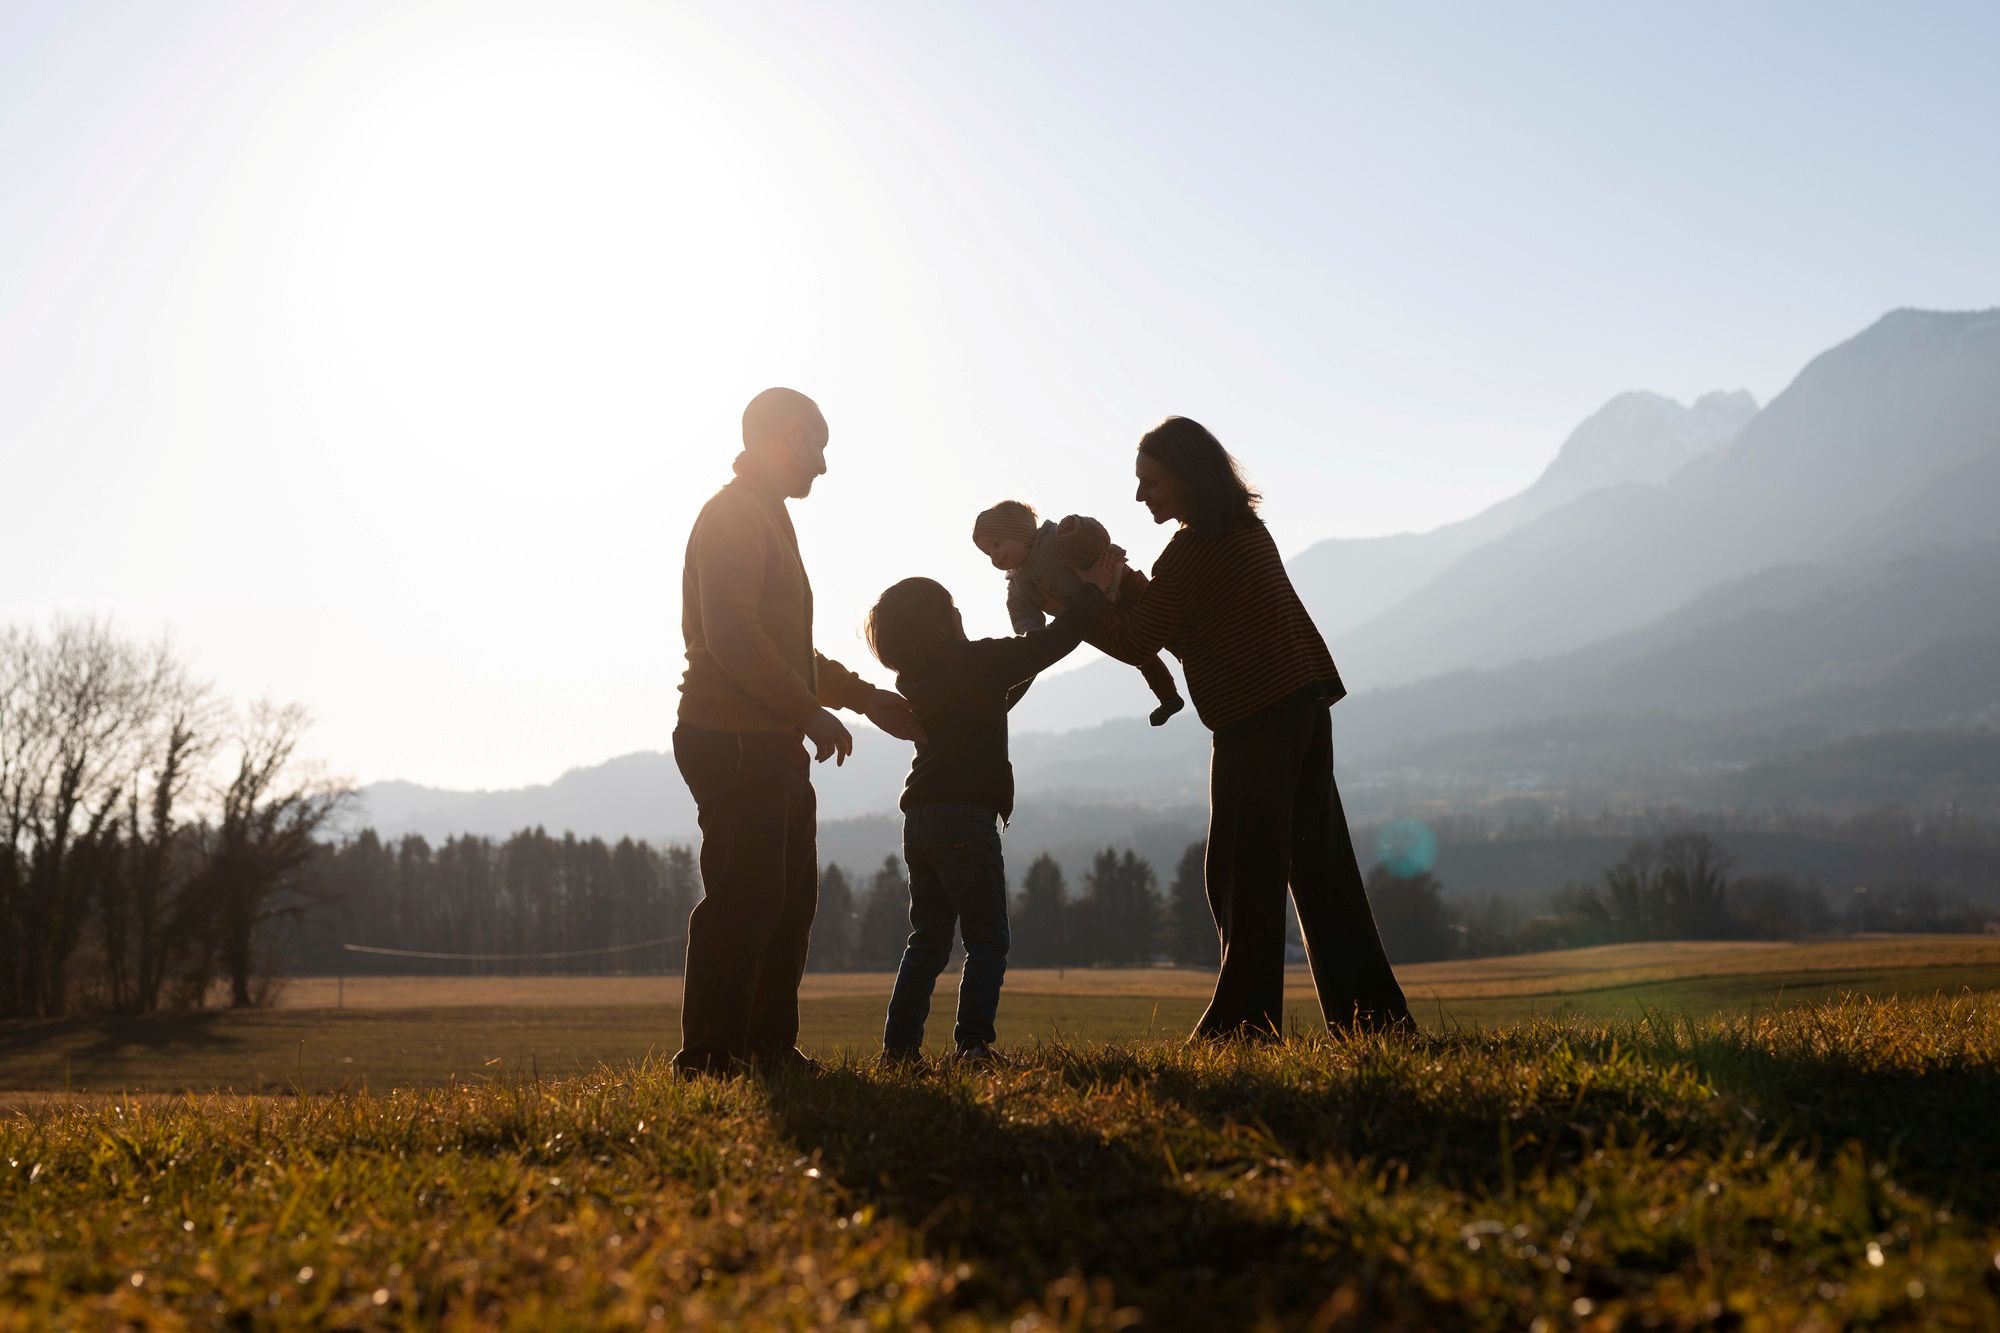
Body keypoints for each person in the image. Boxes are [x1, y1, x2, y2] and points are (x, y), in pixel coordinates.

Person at [1083, 416, 1411, 1038]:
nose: (1139, 496)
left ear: (1186, 477)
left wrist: (1087, 600)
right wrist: (1124, 591)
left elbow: (1138, 640)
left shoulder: (1193, 550)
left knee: (1240, 876)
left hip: (1258, 722)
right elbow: (1187, 628)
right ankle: (1373, 1021)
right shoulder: (1241, 533)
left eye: (1150, 482)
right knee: (1321, 872)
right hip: (1302, 707)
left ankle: (1244, 1026)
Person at [672, 387, 924, 1075]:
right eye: (818, 447)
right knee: (744, 898)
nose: (821, 466)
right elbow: (732, 635)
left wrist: (862, 696)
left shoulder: (764, 516)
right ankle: (709, 1057)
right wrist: (808, 708)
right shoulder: (733, 517)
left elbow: (784, 648)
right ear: (788, 435)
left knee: (785, 903)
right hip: (734, 736)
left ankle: (768, 1048)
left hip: (767, 734)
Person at [861, 574, 1104, 1065]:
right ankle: (973, 1047)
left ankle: (899, 1051)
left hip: (920, 819)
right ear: (941, 622)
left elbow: (991, 698)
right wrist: (1095, 592)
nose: (959, 613)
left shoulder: (914, 680)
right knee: (987, 938)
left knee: (927, 940)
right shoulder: (978, 662)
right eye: (951, 606)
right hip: (966, 820)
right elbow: (1054, 643)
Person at [971, 499, 1185, 726]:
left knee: (1170, 628)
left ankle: (1193, 656)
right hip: (1095, 616)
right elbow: (1025, 619)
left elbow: (1098, 540)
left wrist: (1075, 528)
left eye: (997, 543)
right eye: (987, 553)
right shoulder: (1019, 586)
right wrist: (1034, 638)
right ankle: (1169, 697)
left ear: (1019, 531)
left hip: (1123, 583)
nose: (994, 556)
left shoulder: (1053, 540)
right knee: (1139, 655)